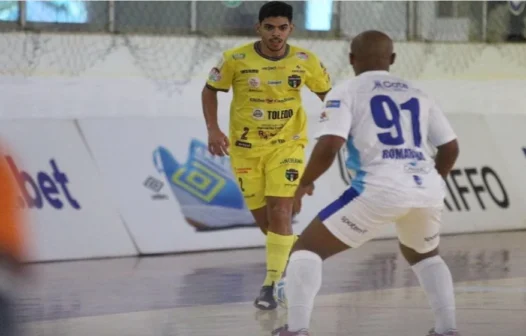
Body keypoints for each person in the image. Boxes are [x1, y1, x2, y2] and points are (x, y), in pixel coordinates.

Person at [272, 30, 460, 336]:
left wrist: (303, 184)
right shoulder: (417, 92)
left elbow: (330, 144)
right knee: (425, 255)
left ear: (351, 59)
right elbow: (450, 148)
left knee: (306, 250)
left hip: (379, 189)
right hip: (426, 188)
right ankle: (447, 329)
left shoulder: (346, 91)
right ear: (393, 59)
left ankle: (296, 330)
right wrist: (431, 183)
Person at [202, 1, 331, 310]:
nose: (276, 34)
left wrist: (335, 131)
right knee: (268, 223)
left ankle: (272, 284)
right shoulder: (235, 59)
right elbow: (210, 90)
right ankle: (300, 260)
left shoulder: (305, 60)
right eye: (270, 27)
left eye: (282, 28)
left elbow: (330, 96)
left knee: (281, 211)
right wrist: (213, 130)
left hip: (288, 146)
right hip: (246, 151)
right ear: (258, 28)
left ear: (291, 29)